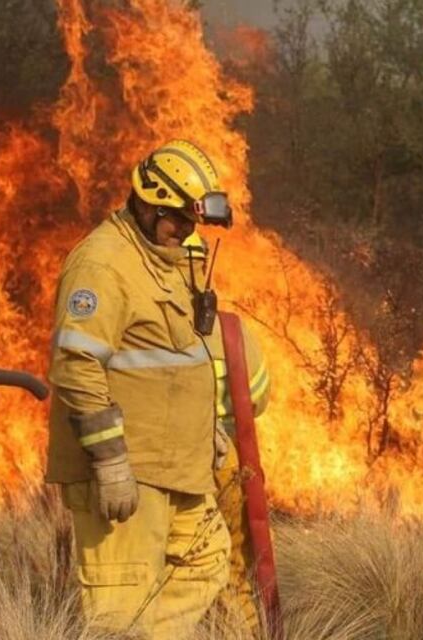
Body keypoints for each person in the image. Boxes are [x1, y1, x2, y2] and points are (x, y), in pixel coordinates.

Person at [47, 141, 235, 637]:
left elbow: (178, 358)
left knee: (207, 560)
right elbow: (76, 364)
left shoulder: (169, 261)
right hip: (129, 471)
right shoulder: (103, 264)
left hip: (179, 468)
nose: (187, 232)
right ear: (148, 204)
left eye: (193, 223)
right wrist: (110, 464)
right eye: (177, 219)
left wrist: (206, 427)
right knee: (120, 609)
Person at [183, 233, 272, 634]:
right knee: (233, 571)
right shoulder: (230, 330)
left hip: (161, 467)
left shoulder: (143, 324)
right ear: (203, 266)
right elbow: (257, 397)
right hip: (223, 465)